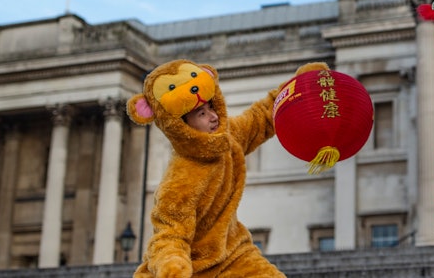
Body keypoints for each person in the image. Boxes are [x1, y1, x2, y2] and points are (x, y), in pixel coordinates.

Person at [127, 59, 320, 278]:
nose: (213, 116)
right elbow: (169, 237)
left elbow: (262, 117)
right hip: (195, 268)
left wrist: (300, 88)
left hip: (235, 253)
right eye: (201, 113)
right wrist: (173, 267)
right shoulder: (178, 183)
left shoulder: (229, 137)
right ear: (181, 127)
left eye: (211, 107)